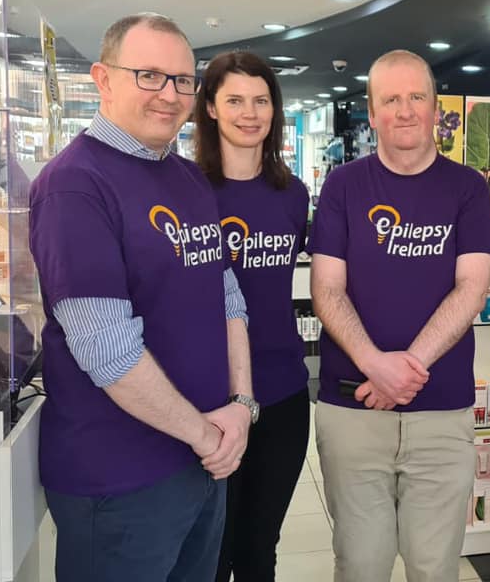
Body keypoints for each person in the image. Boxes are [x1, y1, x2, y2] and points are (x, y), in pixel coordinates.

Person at [29, 13, 257, 581]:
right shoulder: (74, 185)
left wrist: (241, 404)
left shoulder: (188, 178)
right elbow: (107, 348)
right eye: (149, 76)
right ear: (103, 79)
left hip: (201, 464)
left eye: (183, 80)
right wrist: (208, 435)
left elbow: (228, 298)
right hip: (119, 481)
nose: (170, 94)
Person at [308, 49, 490, 581]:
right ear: (372, 113)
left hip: (442, 412)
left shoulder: (467, 187)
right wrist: (375, 365)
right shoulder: (343, 185)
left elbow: (471, 288)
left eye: (417, 97)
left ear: (436, 108)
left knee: (434, 567)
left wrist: (404, 369)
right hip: (353, 410)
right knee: (360, 565)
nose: (405, 110)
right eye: (391, 99)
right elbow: (326, 290)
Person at [193, 51, 310, 582]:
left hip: (283, 391)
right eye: (235, 100)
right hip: (208, 399)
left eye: (261, 101)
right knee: (212, 551)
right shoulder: (188, 191)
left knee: (261, 548)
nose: (249, 113)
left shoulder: (293, 195)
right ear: (211, 108)